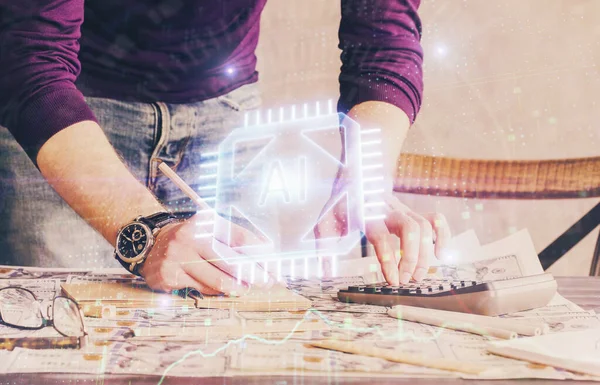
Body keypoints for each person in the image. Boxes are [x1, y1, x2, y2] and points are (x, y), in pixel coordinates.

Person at [0, 0, 450, 295]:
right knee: (59, 340)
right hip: (67, 118)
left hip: (225, 118)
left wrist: (364, 180)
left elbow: (383, 41)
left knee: (239, 332)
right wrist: (143, 228)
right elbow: (28, 58)